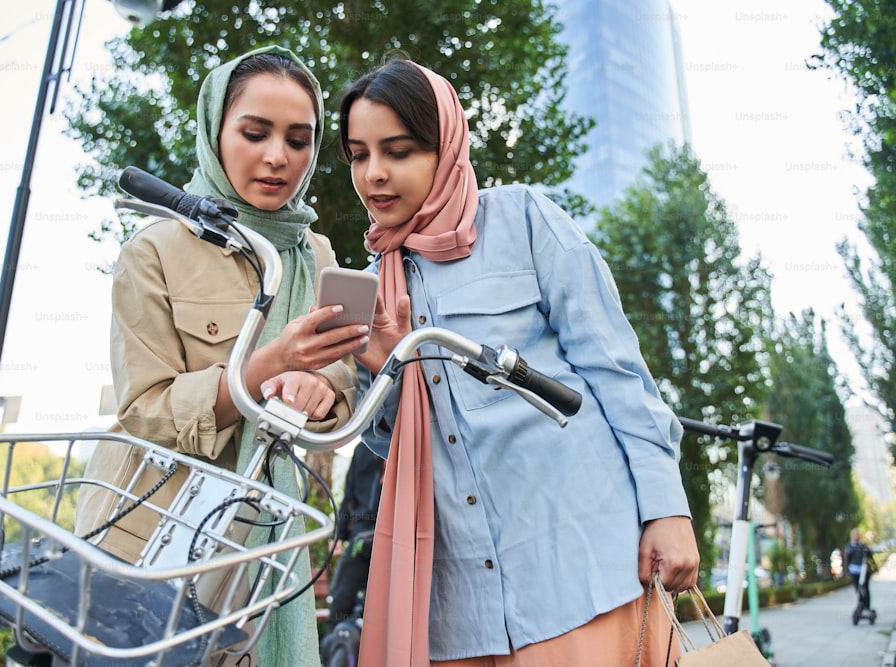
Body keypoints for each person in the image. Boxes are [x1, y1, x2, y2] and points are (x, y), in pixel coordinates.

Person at [339, 57, 700, 666]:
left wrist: (667, 508)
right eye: (357, 154)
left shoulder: (523, 220)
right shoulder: (372, 288)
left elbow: (615, 368)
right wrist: (381, 369)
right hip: (459, 604)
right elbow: (390, 446)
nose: (374, 174)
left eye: (397, 151)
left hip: (578, 568)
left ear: (444, 144)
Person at [75, 46, 367, 667]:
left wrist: (321, 397)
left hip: (258, 554)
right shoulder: (154, 248)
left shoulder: (315, 255)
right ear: (215, 130)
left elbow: (334, 392)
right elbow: (145, 411)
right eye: (254, 132)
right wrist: (263, 370)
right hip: (144, 540)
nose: (277, 157)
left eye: (298, 139)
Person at [325, 441, 385, 630]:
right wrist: (339, 535)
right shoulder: (363, 448)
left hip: (391, 535)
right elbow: (349, 495)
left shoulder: (406, 442)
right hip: (361, 533)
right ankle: (336, 648)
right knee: (342, 595)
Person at [843, 529, 876, 615]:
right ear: (852, 536)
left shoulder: (863, 546)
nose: (857, 536)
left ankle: (867, 607)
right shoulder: (849, 547)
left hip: (864, 570)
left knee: (865, 589)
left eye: (858, 535)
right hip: (854, 571)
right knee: (858, 589)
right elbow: (846, 560)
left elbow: (870, 557)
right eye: (855, 535)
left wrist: (874, 567)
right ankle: (860, 606)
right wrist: (846, 571)